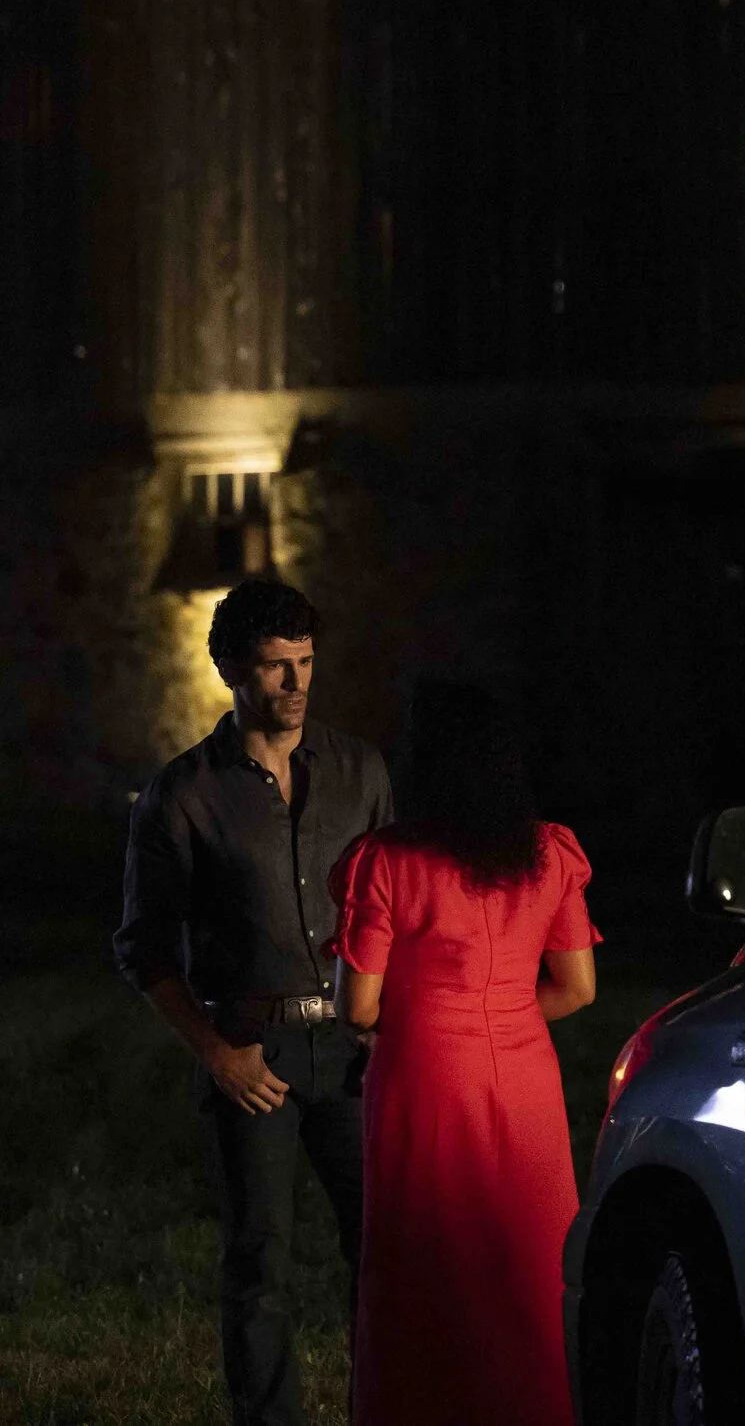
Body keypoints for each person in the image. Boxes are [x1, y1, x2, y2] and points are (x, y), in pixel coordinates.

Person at [116, 578, 394, 1426]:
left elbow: (396, 904)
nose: (296, 683)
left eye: (306, 663)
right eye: (276, 667)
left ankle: (385, 1404)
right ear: (232, 669)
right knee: (259, 1261)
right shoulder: (186, 793)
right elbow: (144, 946)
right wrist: (217, 1052)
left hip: (354, 1049)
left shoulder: (360, 770)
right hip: (251, 1053)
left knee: (382, 1253)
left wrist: (393, 1025)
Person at [329, 678, 600, 1426]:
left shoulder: (386, 861)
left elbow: (358, 1006)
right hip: (525, 1077)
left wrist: (424, 1020)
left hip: (424, 1076)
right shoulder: (548, 852)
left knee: (422, 1260)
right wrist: (505, 1011)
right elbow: (578, 989)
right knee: (525, 1255)